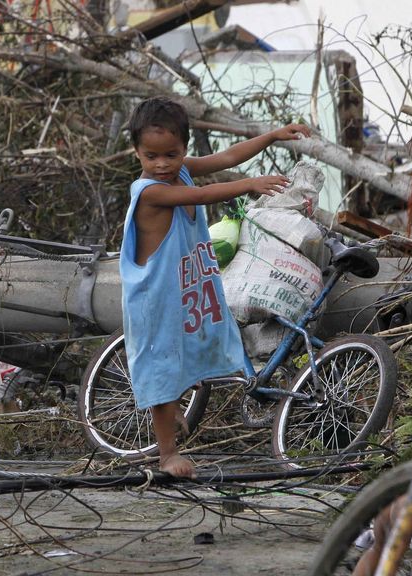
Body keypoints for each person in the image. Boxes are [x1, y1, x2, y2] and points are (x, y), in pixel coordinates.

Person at [122, 97, 311, 478]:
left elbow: (226, 158)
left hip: (184, 292)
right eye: (151, 156)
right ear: (137, 152)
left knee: (186, 357)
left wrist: (271, 136)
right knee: (163, 371)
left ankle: (173, 411)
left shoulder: (181, 171)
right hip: (154, 299)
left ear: (184, 149)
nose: (161, 165)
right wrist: (249, 184)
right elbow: (202, 195)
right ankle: (166, 456)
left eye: (171, 155)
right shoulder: (150, 191)